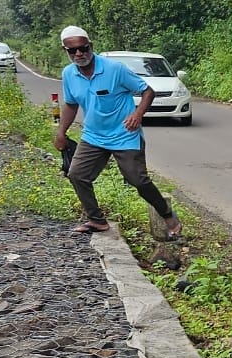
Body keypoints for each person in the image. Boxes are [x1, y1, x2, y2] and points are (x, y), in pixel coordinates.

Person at [53, 26, 181, 238]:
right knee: (77, 174)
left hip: (124, 134)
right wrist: (61, 132)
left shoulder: (114, 69)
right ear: (66, 51)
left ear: (91, 46)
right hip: (93, 135)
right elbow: (71, 104)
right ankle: (96, 220)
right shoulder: (69, 74)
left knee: (138, 180)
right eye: (72, 50)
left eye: (83, 48)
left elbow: (147, 91)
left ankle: (168, 215)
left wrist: (138, 114)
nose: (79, 54)